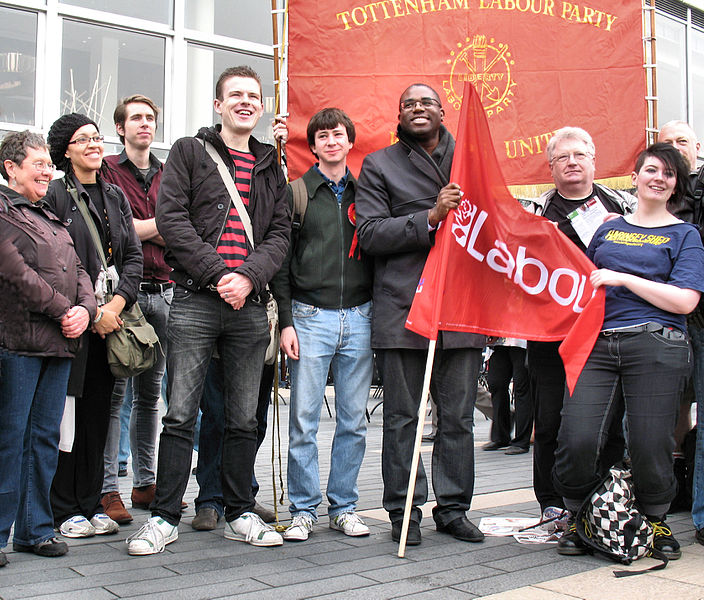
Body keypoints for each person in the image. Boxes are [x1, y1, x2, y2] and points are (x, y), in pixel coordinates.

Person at [127, 65, 289, 555]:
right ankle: (164, 517)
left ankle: (239, 512)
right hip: (198, 298)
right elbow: (172, 219)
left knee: (244, 417)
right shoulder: (189, 152)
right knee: (180, 414)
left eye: (253, 96)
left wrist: (249, 277)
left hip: (248, 305)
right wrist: (221, 275)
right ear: (217, 105)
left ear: (260, 107)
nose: (245, 102)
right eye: (234, 95)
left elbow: (281, 232)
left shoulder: (269, 164)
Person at [554, 143, 704, 560]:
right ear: (634, 177)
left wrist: (623, 278)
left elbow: (685, 301)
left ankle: (654, 519)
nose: (659, 178)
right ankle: (581, 516)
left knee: (649, 441)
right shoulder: (606, 227)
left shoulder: (684, 234)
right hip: (598, 343)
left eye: (669, 174)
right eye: (651, 170)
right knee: (577, 436)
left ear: (676, 186)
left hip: (658, 343)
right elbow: (580, 280)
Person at [356, 84, 486, 546]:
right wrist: (430, 217)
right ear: (399, 115)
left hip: (462, 306)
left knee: (458, 418)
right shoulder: (379, 164)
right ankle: (404, 510)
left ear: (443, 111)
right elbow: (369, 234)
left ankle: (453, 509)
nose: (417, 108)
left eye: (426, 102)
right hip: (404, 308)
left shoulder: (471, 159)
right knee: (402, 417)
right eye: (408, 103)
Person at [522, 127, 636, 522]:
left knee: (607, 421)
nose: (572, 162)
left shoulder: (621, 205)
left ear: (593, 160)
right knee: (550, 420)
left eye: (579, 155)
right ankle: (552, 503)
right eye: (562, 157)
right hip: (550, 336)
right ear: (551, 166)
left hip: (607, 333)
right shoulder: (535, 212)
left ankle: (604, 499)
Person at [270, 107, 374, 542]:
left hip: (361, 315)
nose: (332, 141)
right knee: (304, 419)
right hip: (309, 318)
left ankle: (344, 506)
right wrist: (287, 322)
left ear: (350, 142)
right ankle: (303, 508)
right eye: (323, 136)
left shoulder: (368, 192)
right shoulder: (296, 193)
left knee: (354, 419)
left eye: (339, 135)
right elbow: (280, 264)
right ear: (312, 146)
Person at [0, 131, 96, 566]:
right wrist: (65, 310)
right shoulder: (3, 212)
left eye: (47, 164)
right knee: (10, 439)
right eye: (36, 164)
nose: (47, 171)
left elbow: (80, 270)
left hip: (59, 346)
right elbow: (15, 274)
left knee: (43, 438)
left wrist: (86, 310)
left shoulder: (50, 217)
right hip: (18, 345)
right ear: (11, 169)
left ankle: (34, 531)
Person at [45, 113, 143, 539]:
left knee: (100, 415)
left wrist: (115, 306)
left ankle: (90, 502)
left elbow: (133, 259)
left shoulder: (115, 196)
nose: (93, 144)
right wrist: (89, 311)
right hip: (72, 323)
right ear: (65, 150)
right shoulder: (53, 194)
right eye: (82, 139)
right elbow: (52, 261)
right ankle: (62, 508)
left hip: (110, 321)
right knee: (67, 418)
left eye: (97, 137)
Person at [99, 95, 171, 525]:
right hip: (122, 297)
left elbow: (185, 228)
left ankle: (145, 483)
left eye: (150, 118)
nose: (144, 124)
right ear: (121, 128)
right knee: (115, 395)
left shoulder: (169, 173)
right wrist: (159, 228)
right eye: (136, 119)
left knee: (151, 396)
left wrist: (147, 230)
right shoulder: (107, 172)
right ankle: (109, 488)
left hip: (165, 290)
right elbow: (113, 232)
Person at [658, 120, 704, 543]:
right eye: (668, 142)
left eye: (683, 142)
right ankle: (664, 493)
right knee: (663, 411)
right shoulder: (653, 197)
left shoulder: (700, 193)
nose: (676, 149)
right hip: (662, 325)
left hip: (698, 320)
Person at [483, 339, 532, 455]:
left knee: (522, 388)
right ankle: (500, 436)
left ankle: (521, 440)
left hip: (521, 340)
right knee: (496, 384)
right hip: (500, 340)